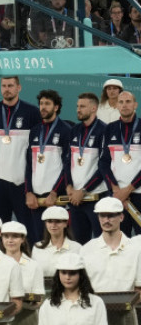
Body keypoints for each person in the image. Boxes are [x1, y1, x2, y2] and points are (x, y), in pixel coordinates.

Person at [81, 197, 141, 325]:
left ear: (121, 217)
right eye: (102, 216)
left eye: (111, 215)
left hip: (126, 316)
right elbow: (82, 288)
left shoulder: (136, 249)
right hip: (95, 317)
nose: (106, 220)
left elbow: (139, 288)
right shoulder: (87, 250)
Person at [0, 76, 41, 240]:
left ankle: (31, 263)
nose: (6, 89)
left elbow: (36, 146)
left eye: (10, 85)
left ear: (19, 88)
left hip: (21, 181)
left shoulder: (32, 112)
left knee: (29, 228)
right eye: (3, 86)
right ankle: (1, 262)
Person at [36, 253, 109, 325]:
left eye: (72, 273)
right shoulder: (48, 305)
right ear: (58, 274)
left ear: (81, 274)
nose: (67, 277)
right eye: (63, 272)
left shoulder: (96, 303)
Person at [0, 220, 45, 325]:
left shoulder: (34, 266)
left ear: (23, 239)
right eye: (6, 236)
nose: (10, 240)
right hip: (2, 324)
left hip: (28, 322)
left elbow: (39, 299)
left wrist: (17, 300)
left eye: (15, 236)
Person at [26, 90, 72, 237]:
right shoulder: (34, 131)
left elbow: (68, 166)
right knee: (39, 241)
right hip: (36, 198)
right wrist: (28, 192)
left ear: (56, 107)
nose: (43, 107)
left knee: (58, 241)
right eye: (41, 104)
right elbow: (28, 164)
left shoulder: (66, 130)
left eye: (47, 104)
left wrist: (55, 192)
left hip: (55, 198)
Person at [99, 89, 141, 236]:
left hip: (138, 194)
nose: (124, 105)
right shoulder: (110, 128)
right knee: (119, 240)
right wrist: (116, 189)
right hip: (116, 195)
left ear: (135, 104)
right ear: (117, 105)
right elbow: (104, 162)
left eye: (128, 101)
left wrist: (128, 190)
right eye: (121, 102)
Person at [67, 92, 107, 241]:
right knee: (79, 244)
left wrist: (84, 190)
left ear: (93, 108)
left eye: (82, 106)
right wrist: (69, 186)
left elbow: (103, 167)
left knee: (101, 243)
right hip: (75, 199)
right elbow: (67, 161)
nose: (78, 109)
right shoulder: (74, 130)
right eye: (78, 106)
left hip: (95, 197)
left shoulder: (104, 131)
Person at [33, 206, 82, 280]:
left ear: (66, 223)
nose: (53, 225)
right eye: (49, 221)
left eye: (58, 221)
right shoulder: (37, 248)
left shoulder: (77, 248)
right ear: (46, 224)